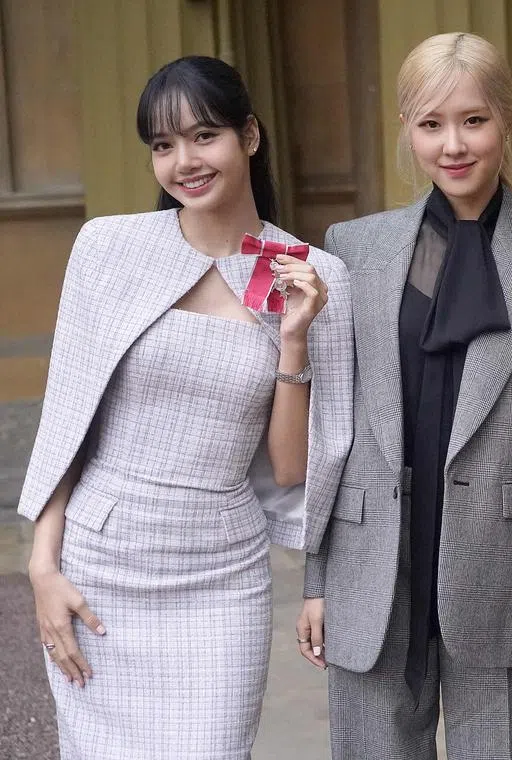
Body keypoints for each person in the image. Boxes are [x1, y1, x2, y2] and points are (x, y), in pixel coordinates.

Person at [17, 55, 354, 759]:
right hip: (99, 567)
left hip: (221, 577)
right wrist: (43, 570)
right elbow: (68, 422)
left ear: (250, 137)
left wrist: (292, 340)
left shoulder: (316, 276)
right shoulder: (108, 249)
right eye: (163, 145)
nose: (183, 162)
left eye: (204, 136)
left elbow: (293, 470)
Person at [294, 32, 512, 759]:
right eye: (431, 123)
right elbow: (332, 427)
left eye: (474, 120)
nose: (453, 145)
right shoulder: (355, 248)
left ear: (506, 119)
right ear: (405, 128)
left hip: (502, 561)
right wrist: (317, 575)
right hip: (373, 557)